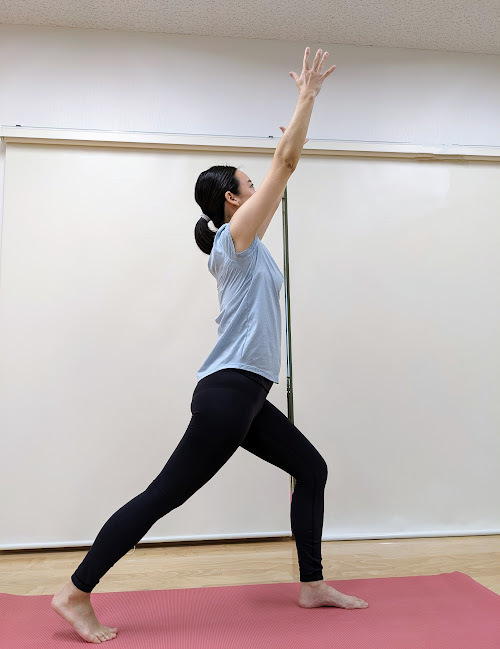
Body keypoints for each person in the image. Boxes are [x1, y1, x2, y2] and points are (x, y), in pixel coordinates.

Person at [51, 46, 368, 645]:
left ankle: (312, 584)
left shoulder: (248, 244)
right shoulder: (235, 243)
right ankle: (75, 592)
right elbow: (287, 161)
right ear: (232, 201)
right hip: (228, 393)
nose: (258, 186)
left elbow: (281, 166)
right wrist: (307, 99)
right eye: (249, 184)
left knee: (311, 468)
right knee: (162, 496)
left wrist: (288, 141)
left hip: (246, 394)